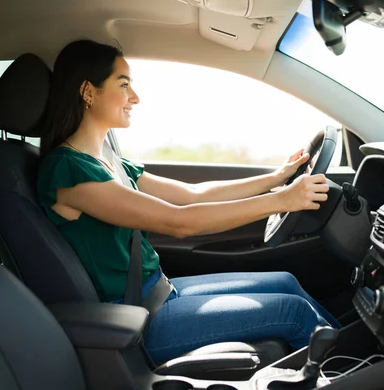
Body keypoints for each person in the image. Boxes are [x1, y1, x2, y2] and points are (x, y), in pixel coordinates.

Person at [37, 39, 340, 364]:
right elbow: (178, 221)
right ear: (88, 91)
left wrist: (276, 178)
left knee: (286, 282)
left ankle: (361, 366)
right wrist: (283, 200)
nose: (135, 98)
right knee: (292, 312)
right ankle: (359, 372)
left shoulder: (108, 162)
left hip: (160, 292)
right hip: (134, 321)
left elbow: (192, 195)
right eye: (124, 85)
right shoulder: (67, 170)